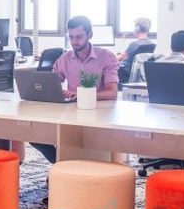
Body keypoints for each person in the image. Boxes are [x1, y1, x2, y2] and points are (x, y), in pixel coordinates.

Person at [31, 15, 119, 163]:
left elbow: (112, 93)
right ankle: (61, 163)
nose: (74, 42)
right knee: (33, 134)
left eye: (79, 37)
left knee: (78, 141)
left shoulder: (106, 57)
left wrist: (81, 94)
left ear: (90, 35)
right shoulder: (65, 58)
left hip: (99, 112)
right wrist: (56, 91)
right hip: (72, 111)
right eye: (71, 37)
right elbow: (51, 83)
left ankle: (66, 164)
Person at [117, 17, 155, 83]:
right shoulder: (151, 43)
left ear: (137, 29)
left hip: (125, 71)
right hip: (138, 73)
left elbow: (119, 58)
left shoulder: (134, 44)